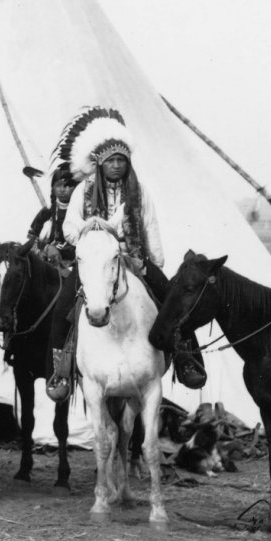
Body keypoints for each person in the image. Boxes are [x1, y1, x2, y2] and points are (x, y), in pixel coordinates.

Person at [54, 106, 206, 390]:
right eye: (111, 161)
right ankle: (61, 370)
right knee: (62, 304)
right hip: (94, 260)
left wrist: (154, 260)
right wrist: (88, 234)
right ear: (100, 163)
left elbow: (149, 224)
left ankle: (186, 359)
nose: (116, 166)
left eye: (121, 160)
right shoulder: (83, 190)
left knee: (171, 298)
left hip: (132, 257)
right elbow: (69, 226)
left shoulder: (139, 190)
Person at [26, 167, 78, 259]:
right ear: (53, 188)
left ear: (75, 187)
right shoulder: (48, 212)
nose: (62, 190)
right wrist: (40, 250)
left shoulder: (81, 211)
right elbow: (32, 236)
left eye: (67, 185)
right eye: (58, 185)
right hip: (50, 257)